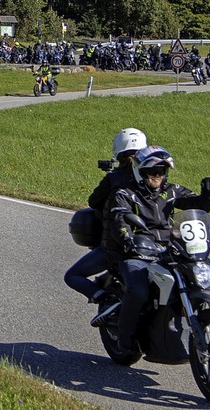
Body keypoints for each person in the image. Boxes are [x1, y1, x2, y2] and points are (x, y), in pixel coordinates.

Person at [103, 145, 210, 354]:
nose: (157, 176)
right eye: (152, 171)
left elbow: (196, 206)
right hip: (138, 253)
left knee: (203, 277)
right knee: (139, 291)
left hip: (169, 251)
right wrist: (128, 239)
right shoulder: (125, 194)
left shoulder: (172, 191)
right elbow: (120, 220)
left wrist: (209, 196)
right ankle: (125, 338)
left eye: (162, 171)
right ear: (140, 171)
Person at [64, 129, 148, 322]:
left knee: (72, 275)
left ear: (118, 153)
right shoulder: (154, 176)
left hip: (117, 244)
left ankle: (105, 299)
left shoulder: (114, 179)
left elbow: (94, 201)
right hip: (154, 242)